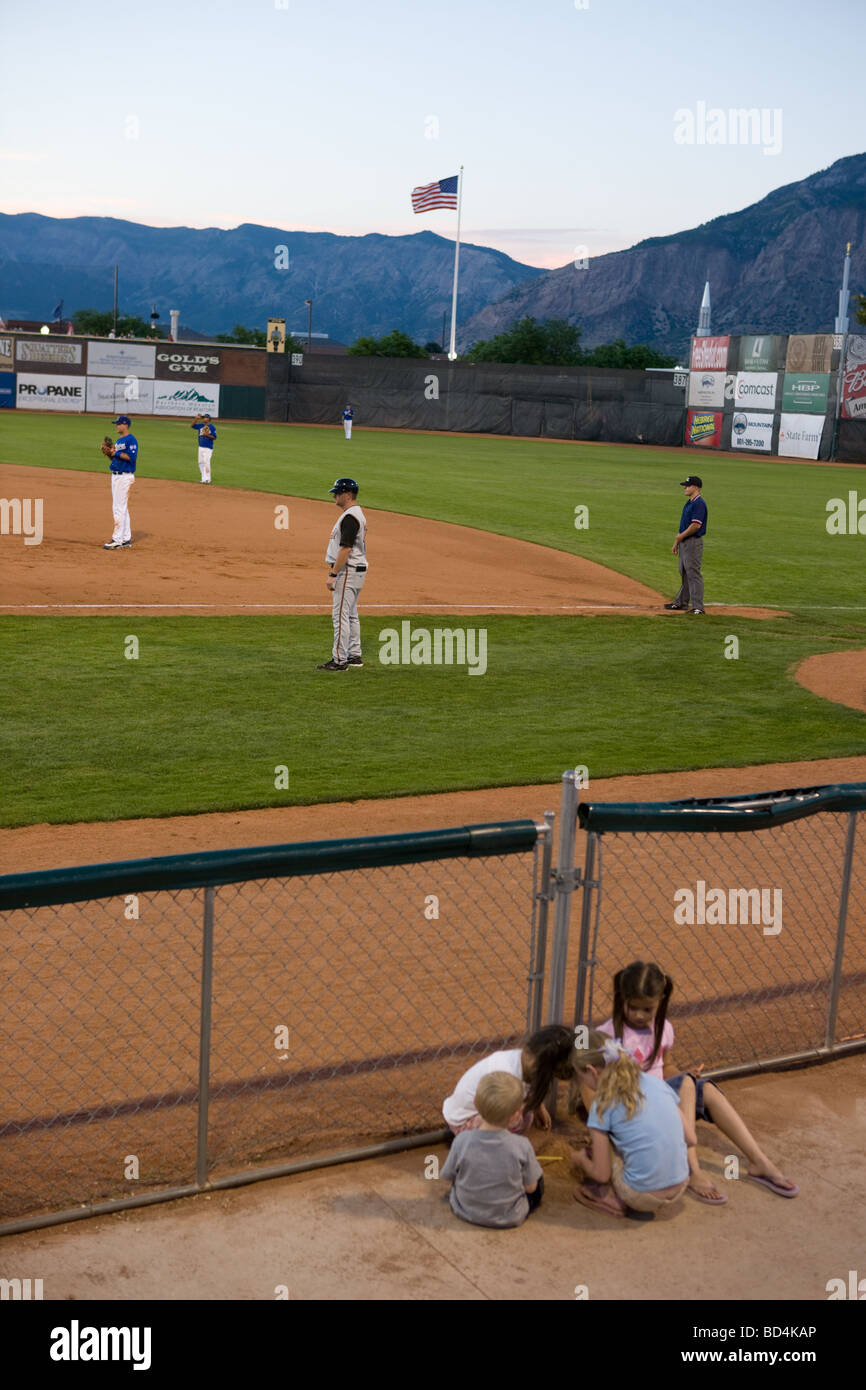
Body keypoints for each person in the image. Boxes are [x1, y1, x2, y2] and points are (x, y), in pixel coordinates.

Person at [595, 960, 799, 1203]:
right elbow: (598, 1081)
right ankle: (693, 1171)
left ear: (660, 1003)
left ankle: (759, 1161)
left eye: (647, 1009)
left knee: (705, 1088)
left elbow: (665, 1066)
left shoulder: (664, 1028)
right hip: (637, 1105)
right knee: (688, 1084)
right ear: (621, 1000)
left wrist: (682, 1074)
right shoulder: (607, 1034)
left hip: (663, 1098)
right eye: (633, 1007)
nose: (639, 1015)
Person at [570, 1031, 691, 1219]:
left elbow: (601, 1175)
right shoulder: (655, 1082)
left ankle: (610, 1198)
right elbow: (691, 1138)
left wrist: (580, 1160)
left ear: (593, 1071)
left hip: (640, 1196)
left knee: (608, 1143)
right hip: (681, 1185)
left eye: (581, 1076)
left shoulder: (601, 1106)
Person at [440, 1072, 544, 1228]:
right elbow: (531, 1188)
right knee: (538, 1181)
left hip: (465, 1211)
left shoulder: (462, 1140)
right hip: (509, 1217)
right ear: (515, 1116)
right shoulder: (522, 1145)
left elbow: (448, 1175)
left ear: (475, 1103)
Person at [442, 1023, 575, 1135]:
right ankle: (490, 1149)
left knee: (525, 1115)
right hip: (463, 1122)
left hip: (480, 1110)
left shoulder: (524, 1060)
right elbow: (497, 1108)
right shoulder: (507, 1073)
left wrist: (539, 1107)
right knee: (517, 1119)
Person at [318, 477, 367, 671]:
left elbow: (345, 549)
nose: (334, 496)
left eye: (337, 493)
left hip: (347, 571)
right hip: (356, 571)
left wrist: (333, 574)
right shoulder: (355, 514)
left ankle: (339, 660)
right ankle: (354, 655)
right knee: (351, 615)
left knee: (340, 616)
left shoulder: (350, 517)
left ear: (347, 494)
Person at [665, 474, 707, 615]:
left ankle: (698, 607)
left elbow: (695, 525)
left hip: (693, 542)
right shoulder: (690, 502)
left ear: (696, 487)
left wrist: (680, 536)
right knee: (684, 573)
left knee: (693, 574)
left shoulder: (699, 504)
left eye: (687, 486)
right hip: (685, 542)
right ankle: (681, 603)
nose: (685, 488)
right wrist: (677, 541)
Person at [103, 414, 138, 549]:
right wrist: (109, 453)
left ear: (125, 425)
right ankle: (125, 538)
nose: (117, 426)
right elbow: (116, 459)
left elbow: (131, 457)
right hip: (116, 475)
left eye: (119, 424)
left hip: (124, 477)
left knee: (118, 508)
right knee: (122, 508)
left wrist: (114, 452)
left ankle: (117, 539)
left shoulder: (131, 440)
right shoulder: (118, 441)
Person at [191, 413, 217, 483]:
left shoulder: (212, 427)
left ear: (208, 419)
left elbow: (214, 437)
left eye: (205, 417)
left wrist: (207, 435)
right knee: (200, 463)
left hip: (208, 448)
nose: (203, 418)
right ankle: (203, 478)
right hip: (200, 447)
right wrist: (196, 419)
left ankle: (208, 479)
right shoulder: (201, 426)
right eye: (203, 417)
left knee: (206, 463)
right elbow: (192, 426)